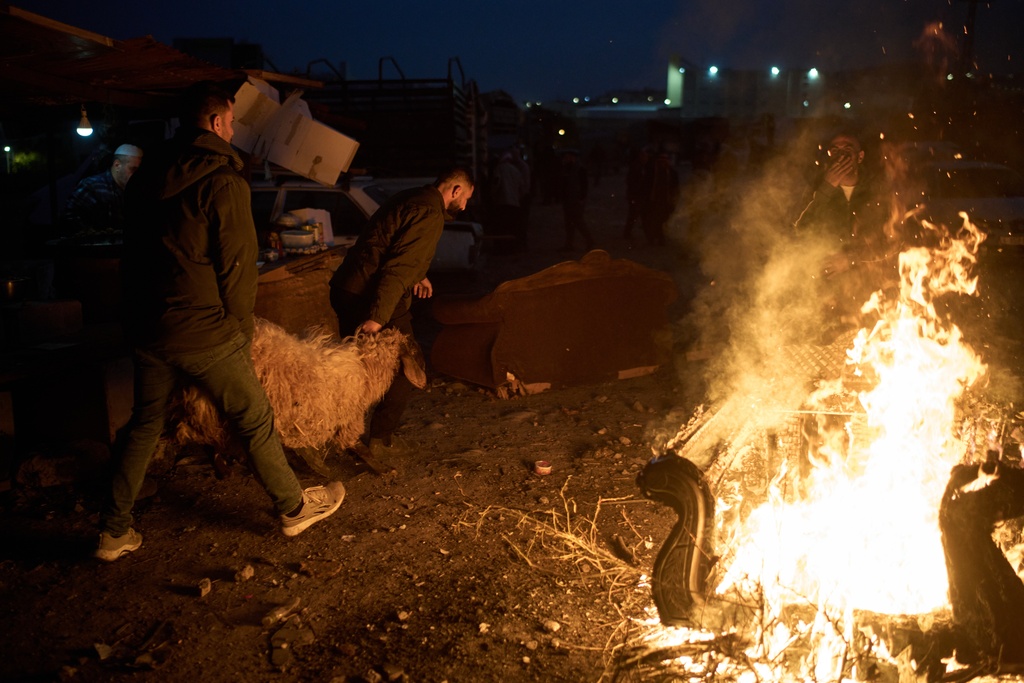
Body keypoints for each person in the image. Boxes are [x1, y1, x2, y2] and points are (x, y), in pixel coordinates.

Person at [95, 81, 345, 562]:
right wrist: (239, 327)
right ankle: (293, 508)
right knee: (253, 417)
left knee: (145, 424)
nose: (234, 129)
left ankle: (111, 532)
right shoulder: (223, 180)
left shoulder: (147, 176)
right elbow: (236, 263)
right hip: (204, 328)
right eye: (231, 121)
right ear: (214, 123)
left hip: (149, 326)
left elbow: (131, 254)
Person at [329, 166, 475, 458]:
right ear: (456, 190)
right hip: (373, 298)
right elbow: (396, 270)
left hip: (348, 287)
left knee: (354, 369)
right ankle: (380, 440)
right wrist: (377, 318)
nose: (465, 205)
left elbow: (387, 244)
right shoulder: (431, 213)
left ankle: (340, 433)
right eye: (467, 198)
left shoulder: (411, 197)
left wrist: (418, 274)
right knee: (406, 369)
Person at [793, 130, 900, 325]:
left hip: (871, 294)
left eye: (847, 149)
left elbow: (890, 242)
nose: (841, 156)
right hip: (827, 293)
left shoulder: (876, 191)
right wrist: (827, 187)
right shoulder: (818, 188)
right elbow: (800, 229)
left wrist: (851, 259)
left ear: (859, 157)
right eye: (835, 150)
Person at [63, 143, 143, 235]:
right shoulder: (92, 186)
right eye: (133, 169)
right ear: (117, 165)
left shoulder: (136, 191)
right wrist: (89, 232)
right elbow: (68, 217)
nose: (137, 175)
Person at [642, 151, 680, 247]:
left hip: (666, 201)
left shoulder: (672, 173)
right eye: (660, 161)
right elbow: (645, 186)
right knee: (653, 220)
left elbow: (675, 188)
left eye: (664, 161)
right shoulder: (651, 172)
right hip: (653, 201)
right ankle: (655, 238)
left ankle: (659, 237)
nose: (662, 163)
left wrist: (674, 200)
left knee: (663, 220)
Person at [558, 149, 593, 252]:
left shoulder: (580, 169)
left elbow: (584, 185)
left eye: (569, 157)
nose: (566, 158)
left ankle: (589, 241)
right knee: (569, 223)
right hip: (568, 199)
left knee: (578, 222)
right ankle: (569, 244)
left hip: (576, 199)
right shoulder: (566, 168)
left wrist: (582, 198)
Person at [623, 147, 650, 240]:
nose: (646, 159)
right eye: (645, 157)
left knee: (642, 216)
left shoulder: (643, 167)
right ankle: (627, 233)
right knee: (634, 216)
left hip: (640, 196)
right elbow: (631, 182)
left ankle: (647, 235)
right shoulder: (636, 167)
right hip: (636, 196)